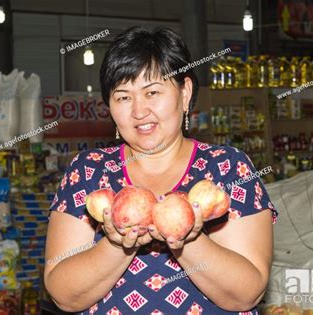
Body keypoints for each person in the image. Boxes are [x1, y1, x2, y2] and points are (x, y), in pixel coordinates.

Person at [45, 27, 278, 314]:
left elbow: (246, 293)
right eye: (123, 97)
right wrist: (117, 245)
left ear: (185, 93)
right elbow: (63, 295)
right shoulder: (89, 171)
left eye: (152, 92)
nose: (139, 111)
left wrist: (187, 240)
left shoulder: (228, 168)